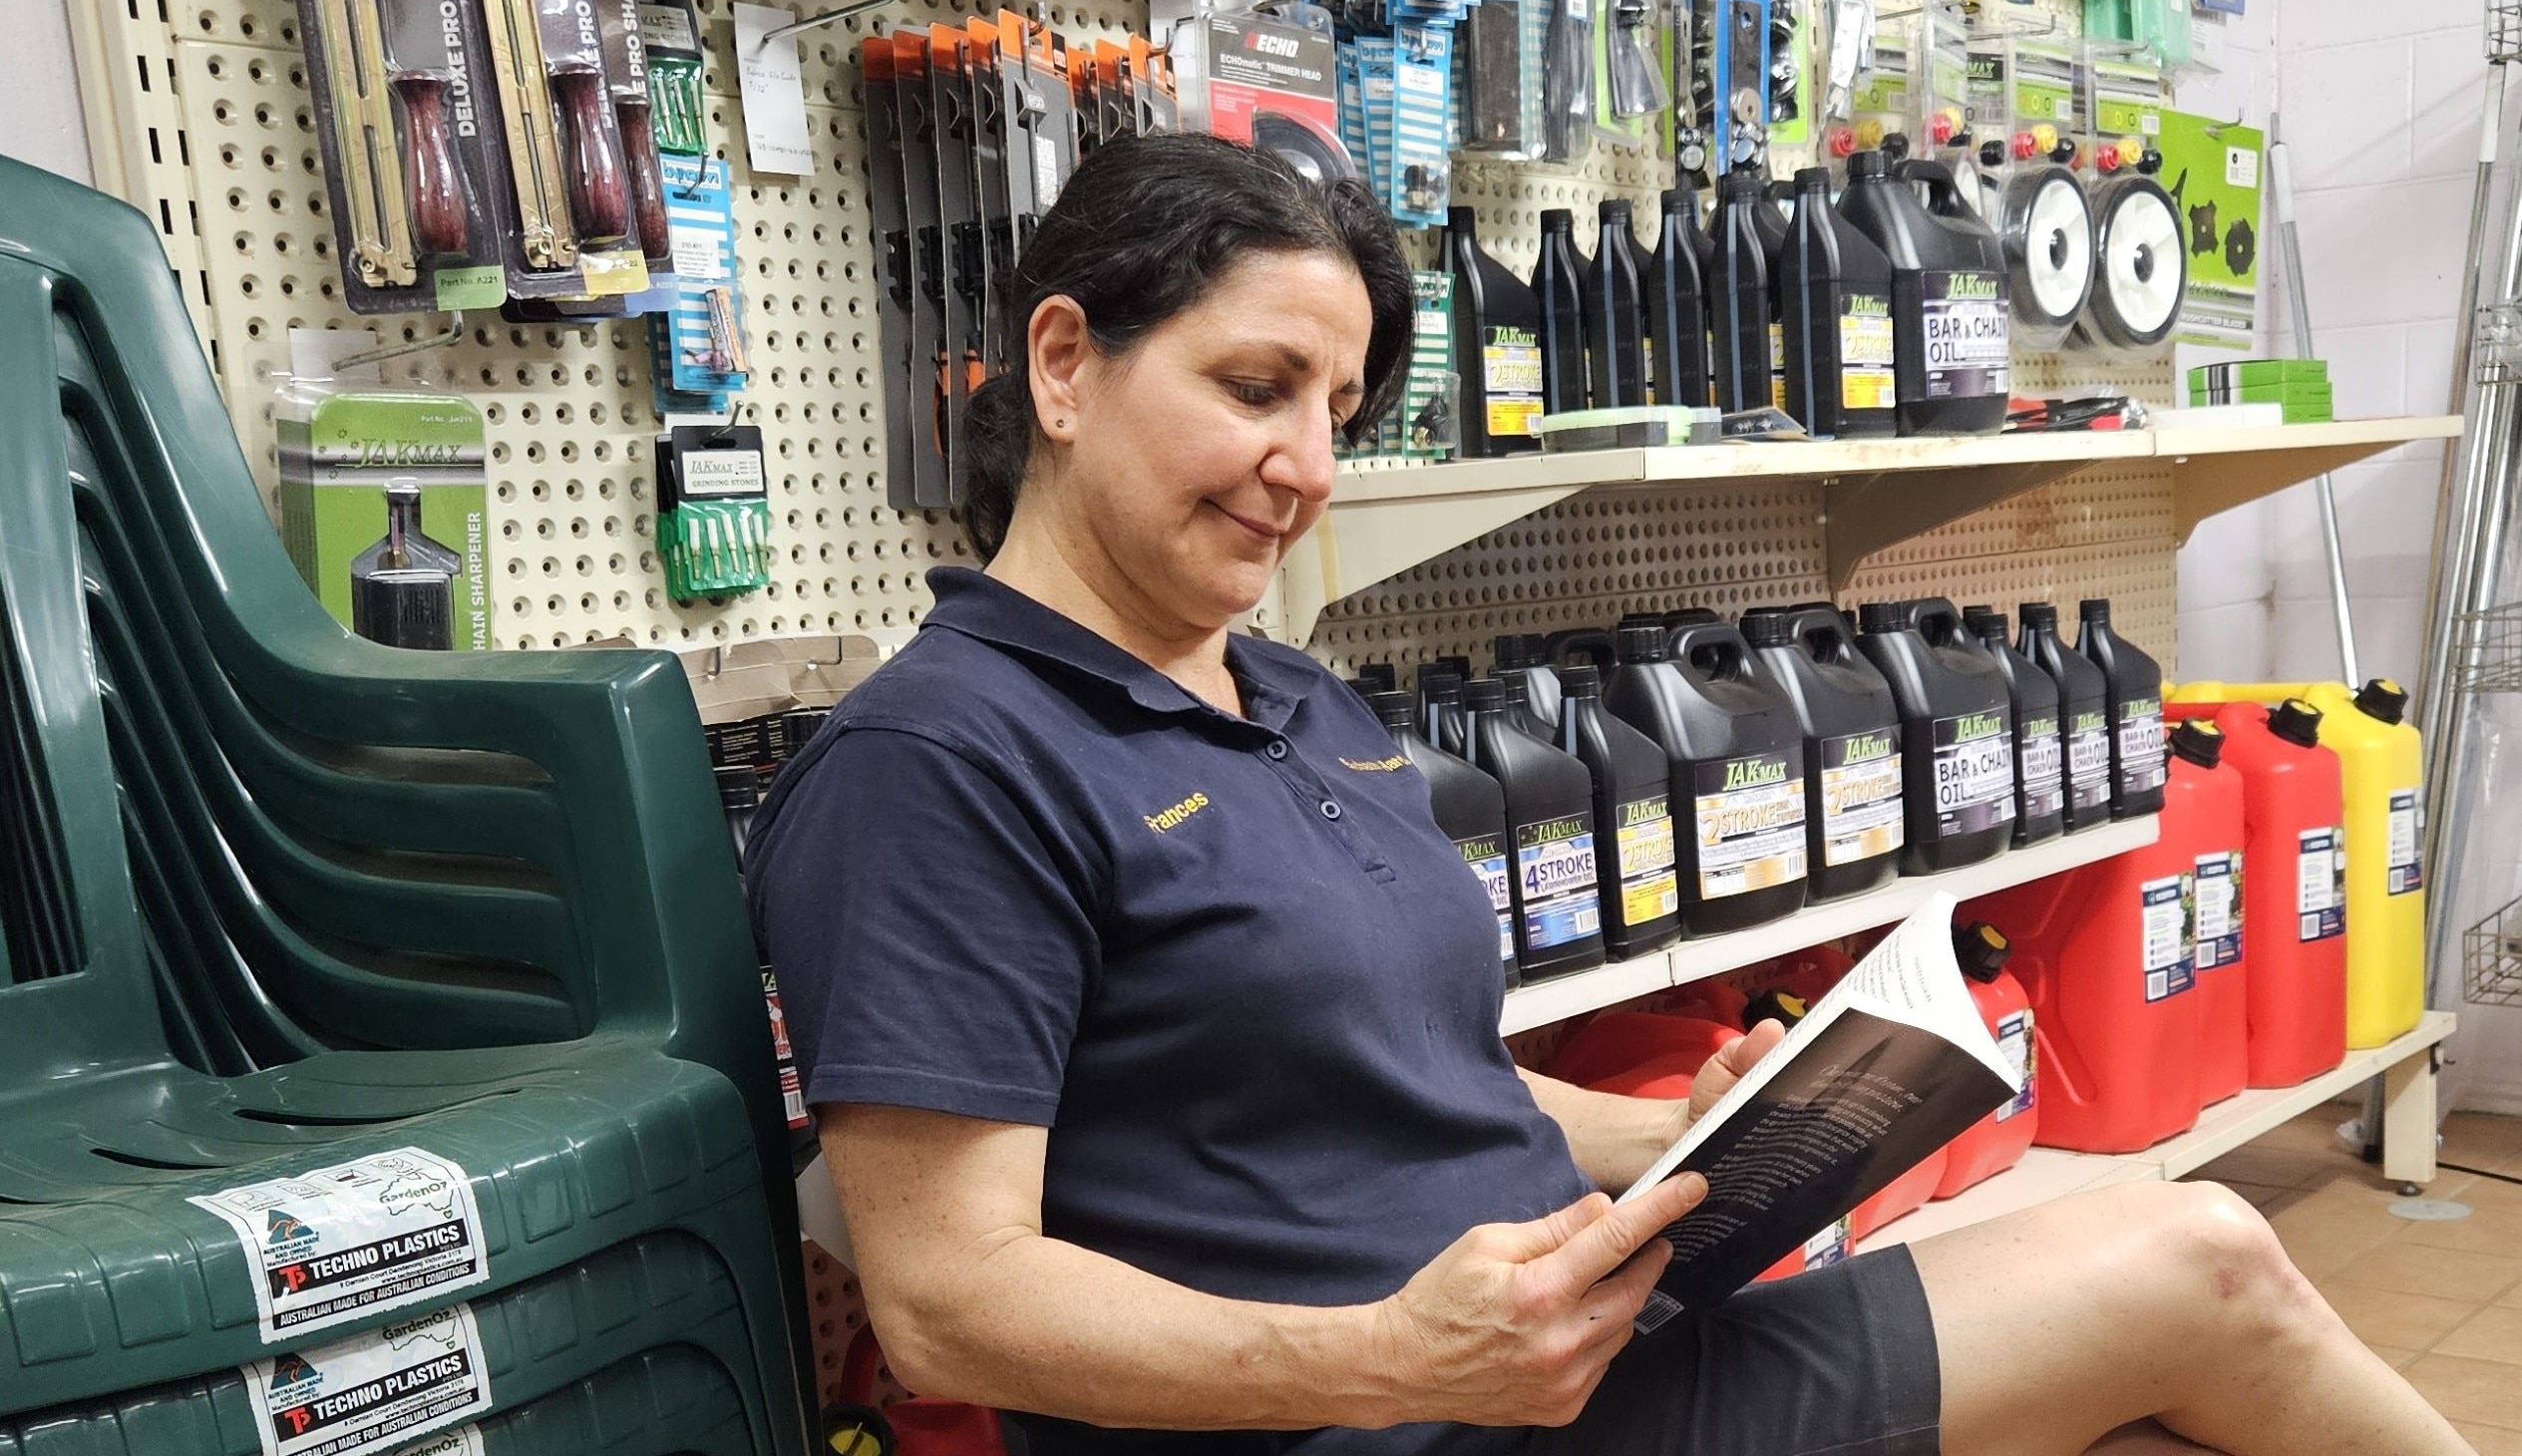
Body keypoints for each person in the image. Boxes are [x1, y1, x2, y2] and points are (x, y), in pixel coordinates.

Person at [747, 134, 2472, 1456]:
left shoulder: (1290, 696)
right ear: (1061, 367)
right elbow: (951, 1305)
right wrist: (1384, 1354)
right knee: (2204, 1268)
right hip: (1396, 1427)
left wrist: (1693, 1135)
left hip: (1574, 1358)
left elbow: (1396, 1076)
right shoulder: (940, 764)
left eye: (1338, 409)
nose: (1310, 470)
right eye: (1254, 389)